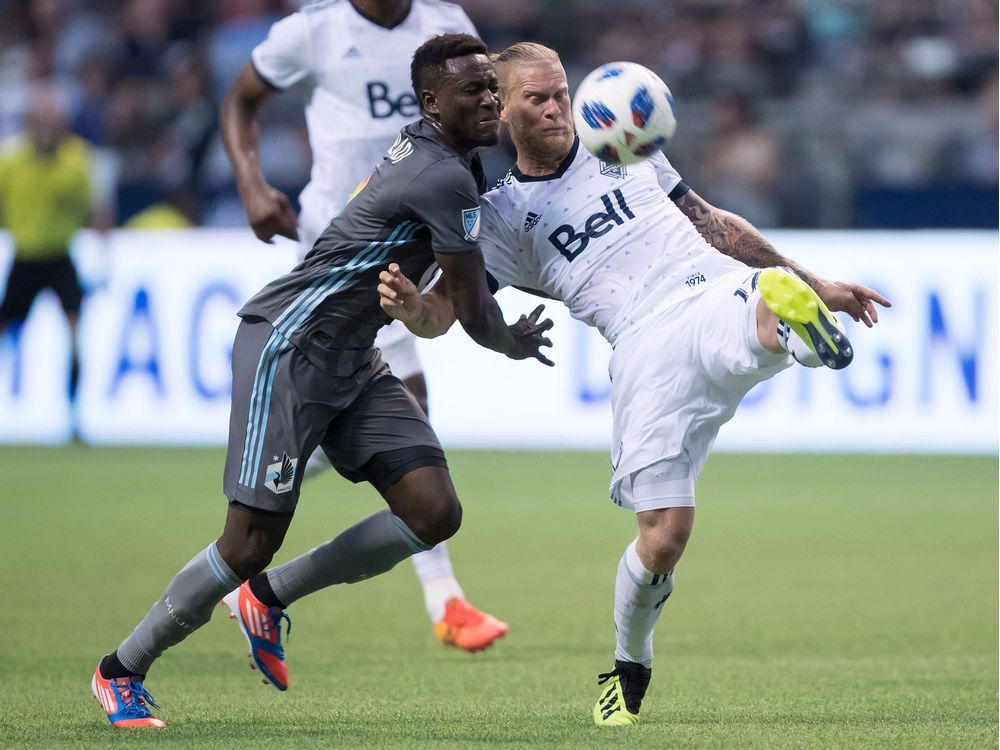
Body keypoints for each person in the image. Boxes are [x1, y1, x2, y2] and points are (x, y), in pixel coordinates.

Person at [376, 42, 891, 727]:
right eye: (539, 98)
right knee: (662, 539)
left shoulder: (621, 141)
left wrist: (814, 281)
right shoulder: (498, 218)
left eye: (561, 91)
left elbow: (712, 223)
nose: (559, 106)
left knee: (760, 301)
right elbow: (451, 312)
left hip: (709, 294)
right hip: (645, 350)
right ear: (502, 111)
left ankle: (797, 327)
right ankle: (629, 665)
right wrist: (415, 310)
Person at [91, 34, 553, 729]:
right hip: (289, 348)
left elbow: (439, 305)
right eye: (472, 91)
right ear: (431, 103)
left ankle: (267, 600)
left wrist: (425, 313)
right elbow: (475, 312)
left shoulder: (451, 163)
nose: (489, 99)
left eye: (492, 87)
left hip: (352, 357)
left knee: (433, 511)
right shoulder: (444, 177)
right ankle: (120, 671)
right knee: (245, 544)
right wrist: (512, 342)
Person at [218, 0, 508, 656]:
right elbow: (239, 100)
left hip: (408, 249)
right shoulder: (313, 31)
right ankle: (443, 597)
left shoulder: (443, 20)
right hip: (339, 253)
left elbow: (477, 115)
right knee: (403, 412)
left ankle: (443, 597)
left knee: (402, 413)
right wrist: (251, 185)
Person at [0, 83, 107, 438]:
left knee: (76, 335)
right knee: (6, 331)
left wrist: (103, 252)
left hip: (60, 257)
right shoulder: (10, 162)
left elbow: (93, 211)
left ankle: (74, 417)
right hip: (26, 257)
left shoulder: (77, 160)